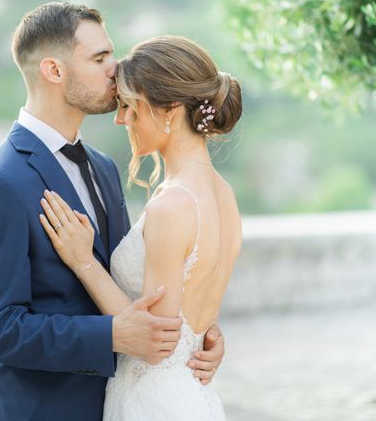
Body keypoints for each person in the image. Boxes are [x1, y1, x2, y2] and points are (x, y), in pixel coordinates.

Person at [0, 3, 225, 421]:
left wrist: (196, 333)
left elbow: (133, 283)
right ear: (54, 71)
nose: (115, 68)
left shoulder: (102, 167)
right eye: (99, 59)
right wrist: (113, 335)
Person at [39, 35, 243, 420]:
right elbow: (188, 311)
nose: (121, 119)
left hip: (154, 403)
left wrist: (84, 262)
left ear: (167, 110)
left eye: (129, 107)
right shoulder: (224, 194)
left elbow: (155, 339)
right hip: (189, 395)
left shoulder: (173, 204)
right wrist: (206, 334)